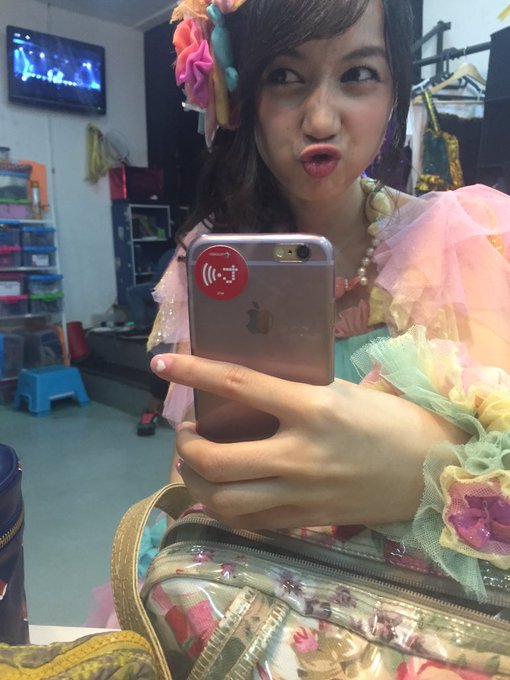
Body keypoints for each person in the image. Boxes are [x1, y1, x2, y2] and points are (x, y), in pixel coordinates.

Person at [147, 0, 510, 600]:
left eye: (358, 74)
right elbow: (192, 469)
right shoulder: (215, 264)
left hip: (418, 616)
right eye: (284, 76)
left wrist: (421, 472)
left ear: (395, 91)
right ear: (243, 95)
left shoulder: (463, 239)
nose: (320, 119)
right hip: (253, 597)